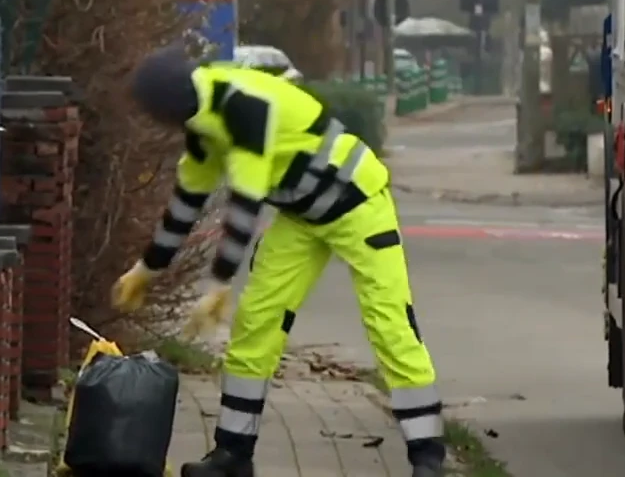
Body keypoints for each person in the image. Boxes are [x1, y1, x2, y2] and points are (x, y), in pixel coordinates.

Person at [112, 47, 446, 477]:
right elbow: (186, 202)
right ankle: (232, 455)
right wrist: (147, 269)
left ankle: (428, 459)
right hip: (301, 216)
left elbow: (246, 204)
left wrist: (218, 284)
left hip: (358, 203)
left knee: (390, 324)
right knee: (256, 322)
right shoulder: (202, 120)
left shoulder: (244, 106)